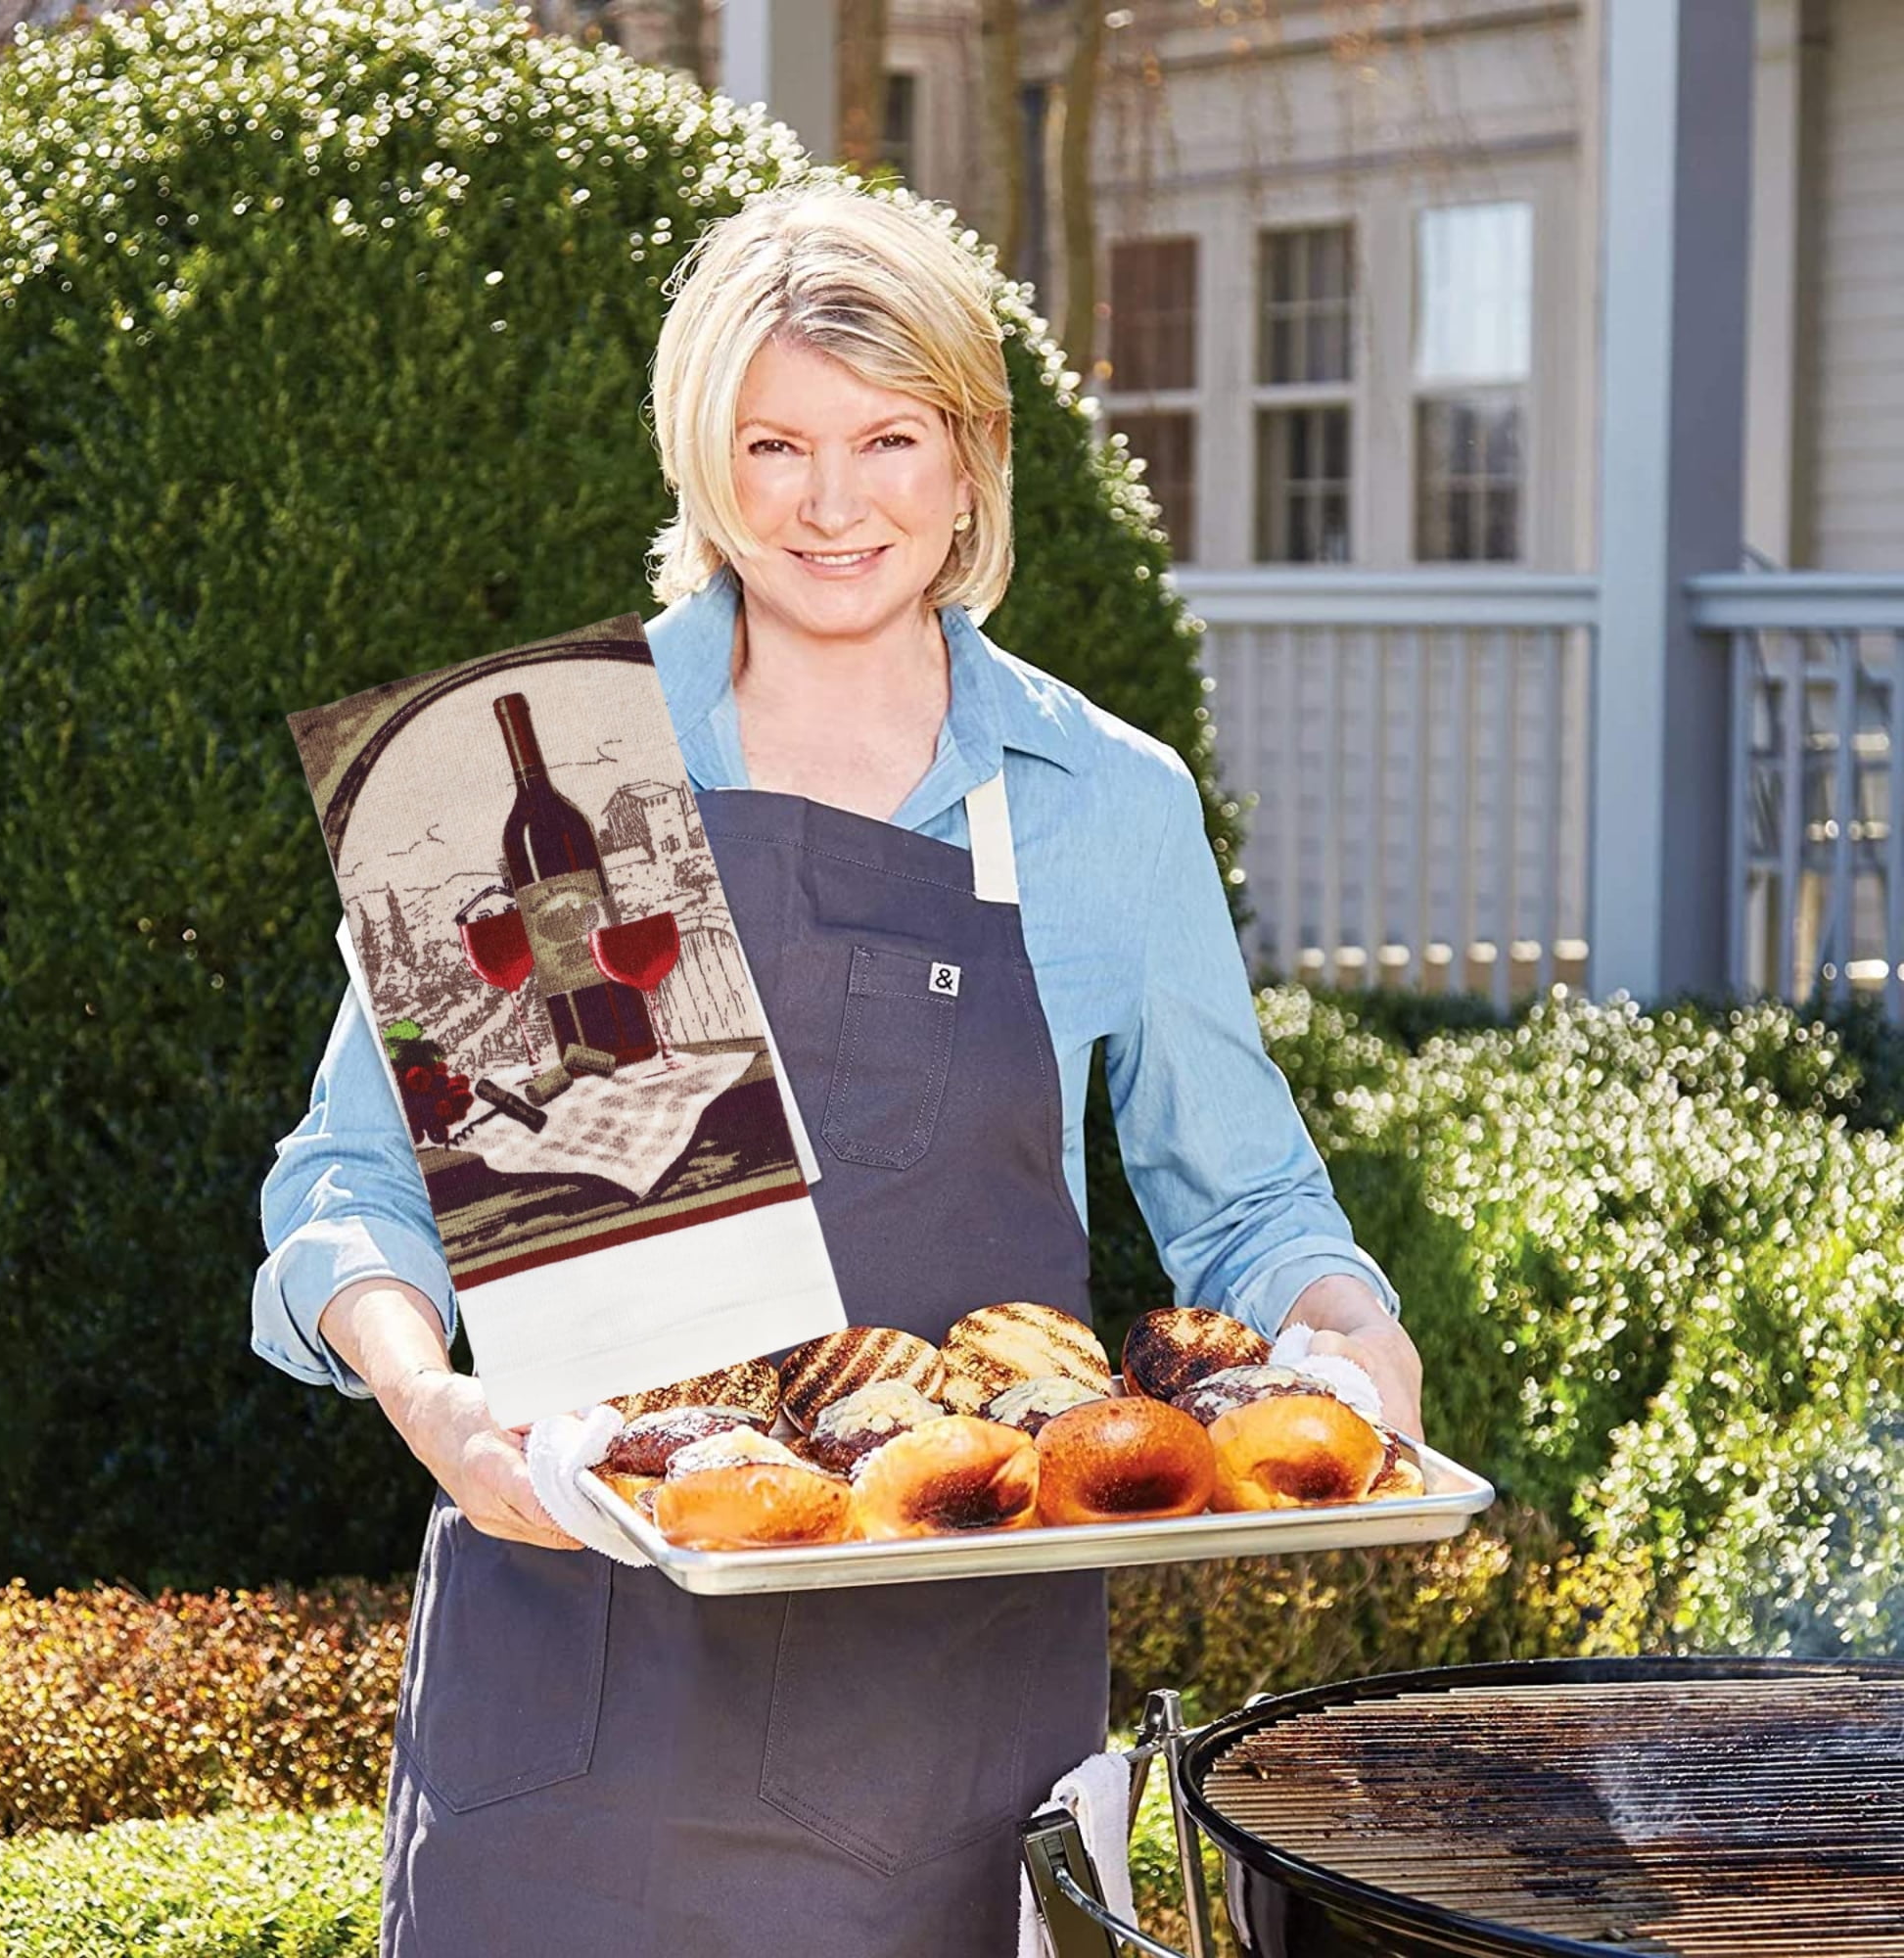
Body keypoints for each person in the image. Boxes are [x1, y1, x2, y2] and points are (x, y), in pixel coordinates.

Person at [252, 176, 1422, 1956]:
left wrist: (1356, 1336)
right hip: (582, 1698)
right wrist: (434, 1401)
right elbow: (349, 1180)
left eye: (887, 437)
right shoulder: (528, 764)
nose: (829, 502)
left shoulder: (1109, 802)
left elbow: (1245, 1196)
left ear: (972, 458)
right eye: (772, 442)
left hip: (950, 1718)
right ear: (699, 459)